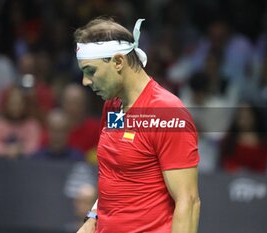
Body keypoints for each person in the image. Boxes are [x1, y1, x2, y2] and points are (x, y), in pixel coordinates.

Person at [74, 17, 200, 233]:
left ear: (118, 62)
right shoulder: (112, 106)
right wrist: (92, 219)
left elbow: (188, 203)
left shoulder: (167, 114)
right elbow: (114, 176)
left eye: (91, 71)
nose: (86, 81)